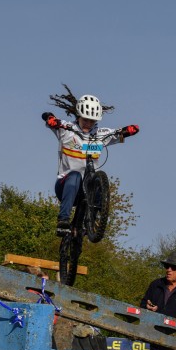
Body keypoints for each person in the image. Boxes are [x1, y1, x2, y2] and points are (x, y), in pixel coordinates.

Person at [42, 84, 139, 236]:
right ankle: (63, 220)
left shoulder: (100, 134)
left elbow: (118, 132)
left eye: (92, 121)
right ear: (79, 116)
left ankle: (92, 222)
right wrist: (50, 119)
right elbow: (48, 117)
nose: (88, 124)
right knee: (74, 175)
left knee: (98, 182)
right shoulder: (67, 130)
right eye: (85, 120)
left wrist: (131, 130)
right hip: (65, 186)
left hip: (87, 189)